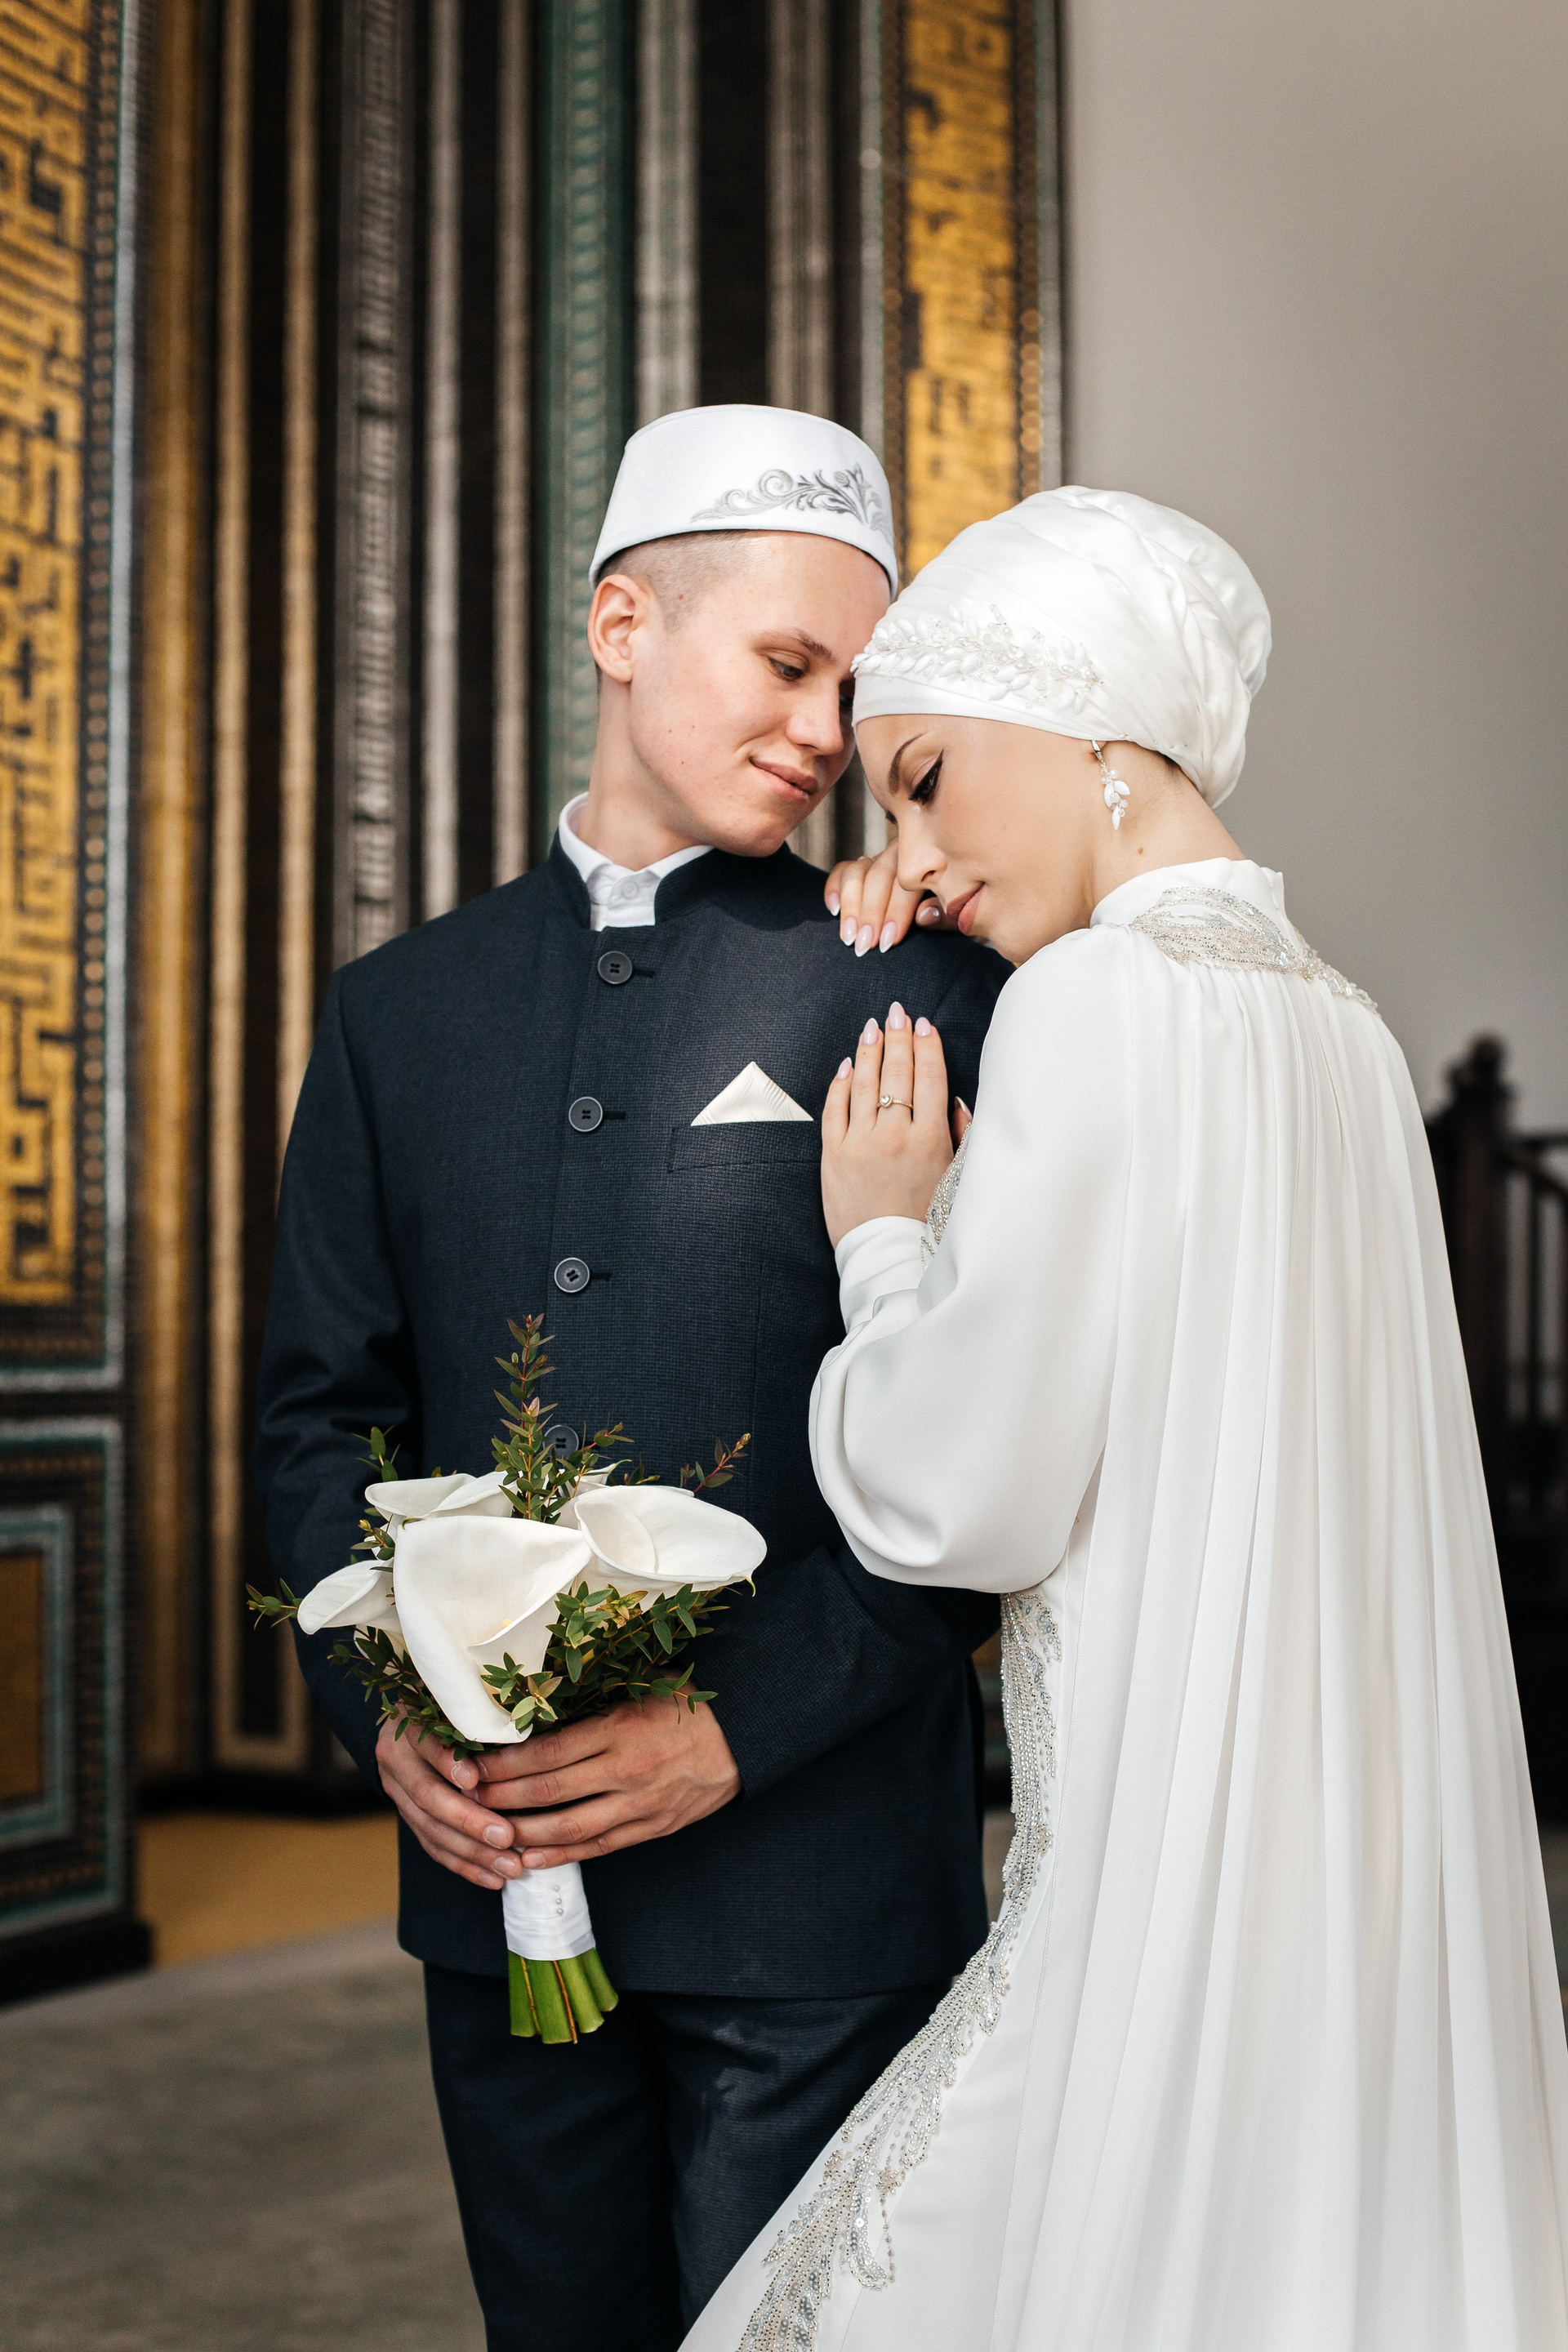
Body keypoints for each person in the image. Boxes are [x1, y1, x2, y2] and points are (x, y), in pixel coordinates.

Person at [687, 487, 1568, 2352]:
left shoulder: (1094, 1000)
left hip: (1157, 1873)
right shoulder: (1344, 1026)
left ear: (1094, 730)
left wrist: (883, 1239)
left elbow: (961, 1494)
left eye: (926, 781)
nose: (915, 859)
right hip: (1340, 1881)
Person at [253, 403, 1007, 2352]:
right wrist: (392, 1721)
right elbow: (319, 1413)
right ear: (619, 625)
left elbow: (999, 1438)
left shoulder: (924, 981)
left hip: (824, 1892)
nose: (826, 732)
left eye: (855, 690)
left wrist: (738, 1730)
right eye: (787, 664)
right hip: (494, 1891)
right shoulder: (396, 1011)